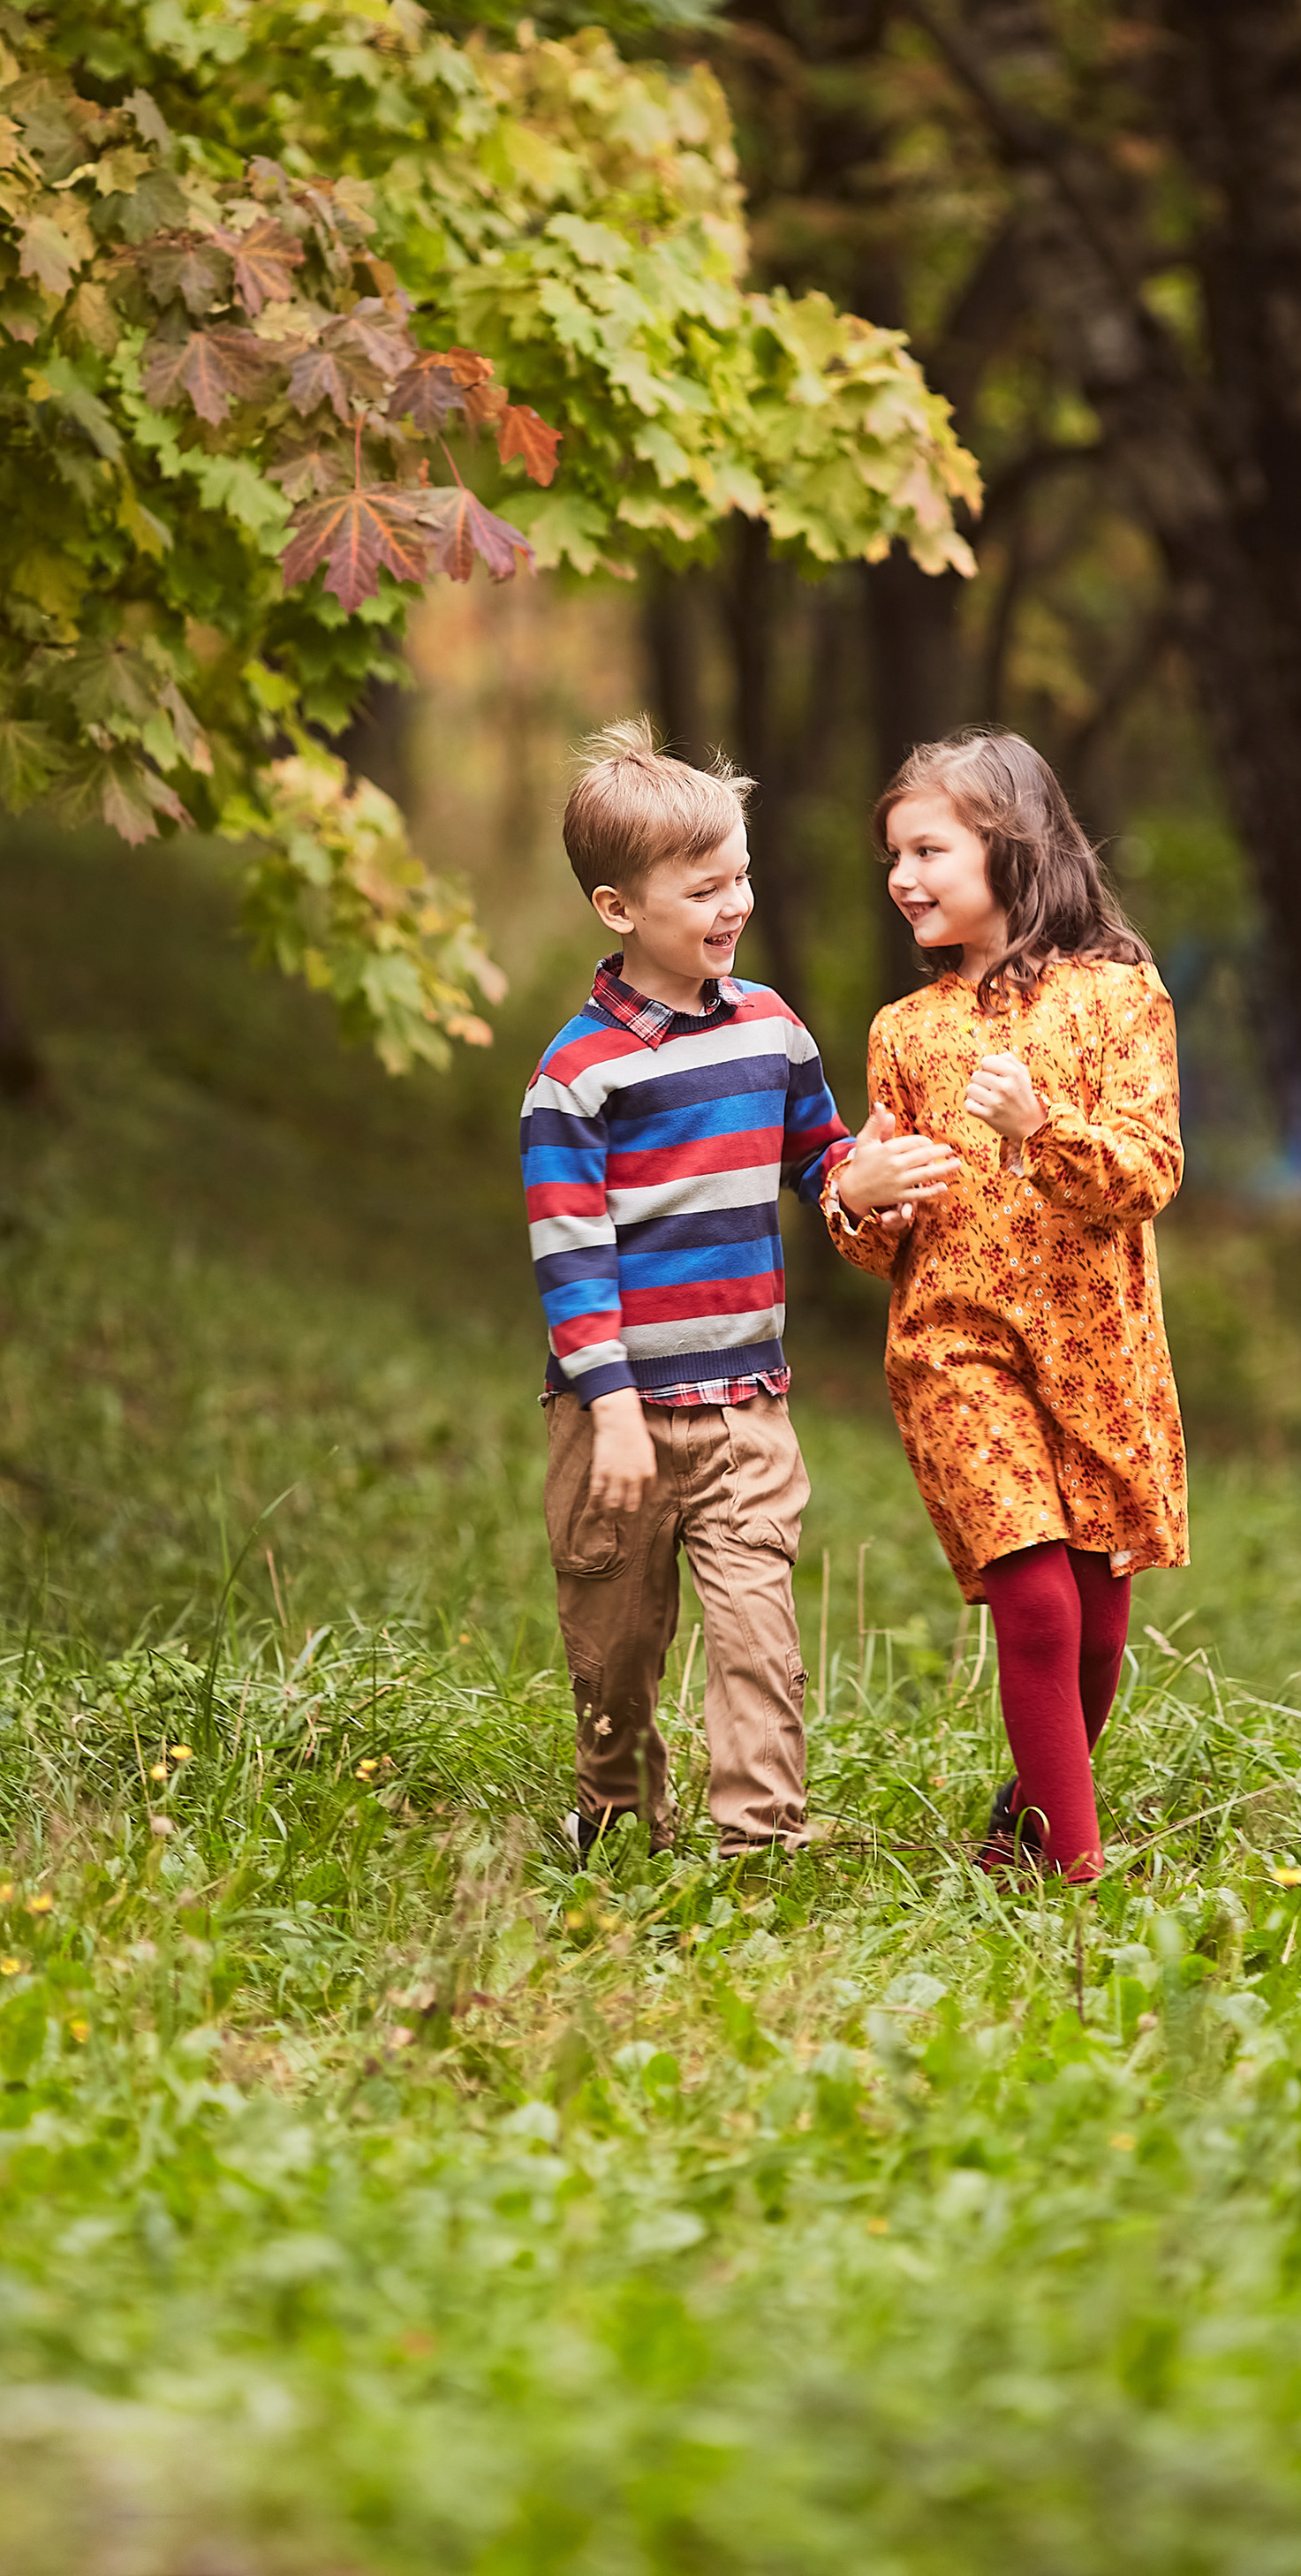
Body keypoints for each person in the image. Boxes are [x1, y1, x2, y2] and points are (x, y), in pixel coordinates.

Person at [522, 721, 908, 1860]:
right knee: (615, 1648)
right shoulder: (576, 1080)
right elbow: (571, 1251)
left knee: (757, 1636)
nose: (735, 902)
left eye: (742, 873)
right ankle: (617, 1814)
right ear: (619, 909)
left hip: (747, 1407)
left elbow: (817, 1155)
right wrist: (609, 1409)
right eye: (705, 887)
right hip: (617, 1423)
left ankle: (758, 1848)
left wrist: (862, 1175)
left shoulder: (773, 1031)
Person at [824, 729, 1187, 1880]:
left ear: (1012, 848)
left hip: (1095, 1353)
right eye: (894, 856)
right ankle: (1078, 1888)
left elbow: (1149, 1177)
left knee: (1097, 1635)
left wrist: (1044, 1131)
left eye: (928, 849)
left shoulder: (1120, 1001)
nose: (902, 878)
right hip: (954, 1349)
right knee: (1033, 1604)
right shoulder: (905, 1032)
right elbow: (881, 1245)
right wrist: (857, 1196)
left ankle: (1025, 1828)